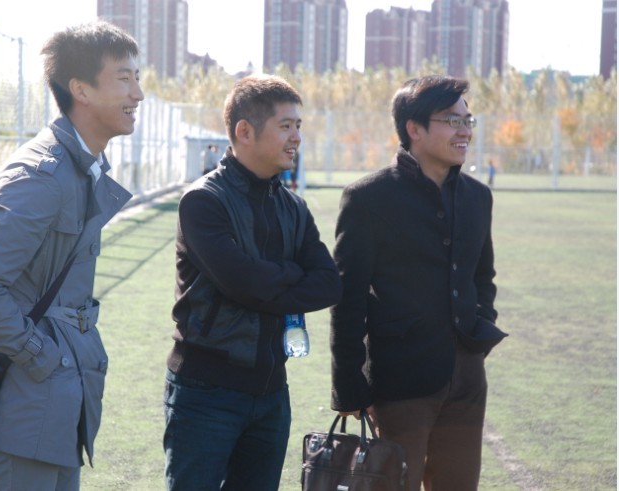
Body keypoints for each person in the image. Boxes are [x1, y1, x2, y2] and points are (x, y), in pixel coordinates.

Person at [0, 21, 144, 489]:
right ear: (81, 89)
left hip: (55, 409)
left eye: (137, 78)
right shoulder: (43, 176)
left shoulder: (80, 168)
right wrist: (44, 357)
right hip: (26, 410)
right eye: (124, 78)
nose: (137, 94)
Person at [163, 74, 341, 491]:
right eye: (286, 126)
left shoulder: (294, 207)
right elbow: (242, 284)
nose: (297, 137)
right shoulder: (203, 201)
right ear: (244, 131)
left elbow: (329, 284)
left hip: (272, 391)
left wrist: (263, 280)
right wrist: (292, 273)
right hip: (205, 391)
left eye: (298, 126)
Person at [329, 75, 507, 491]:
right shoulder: (368, 198)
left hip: (467, 380)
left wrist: (479, 330)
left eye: (467, 120)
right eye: (451, 120)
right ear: (414, 128)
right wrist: (348, 386)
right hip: (400, 382)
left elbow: (483, 277)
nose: (464, 131)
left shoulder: (478, 197)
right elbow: (348, 298)